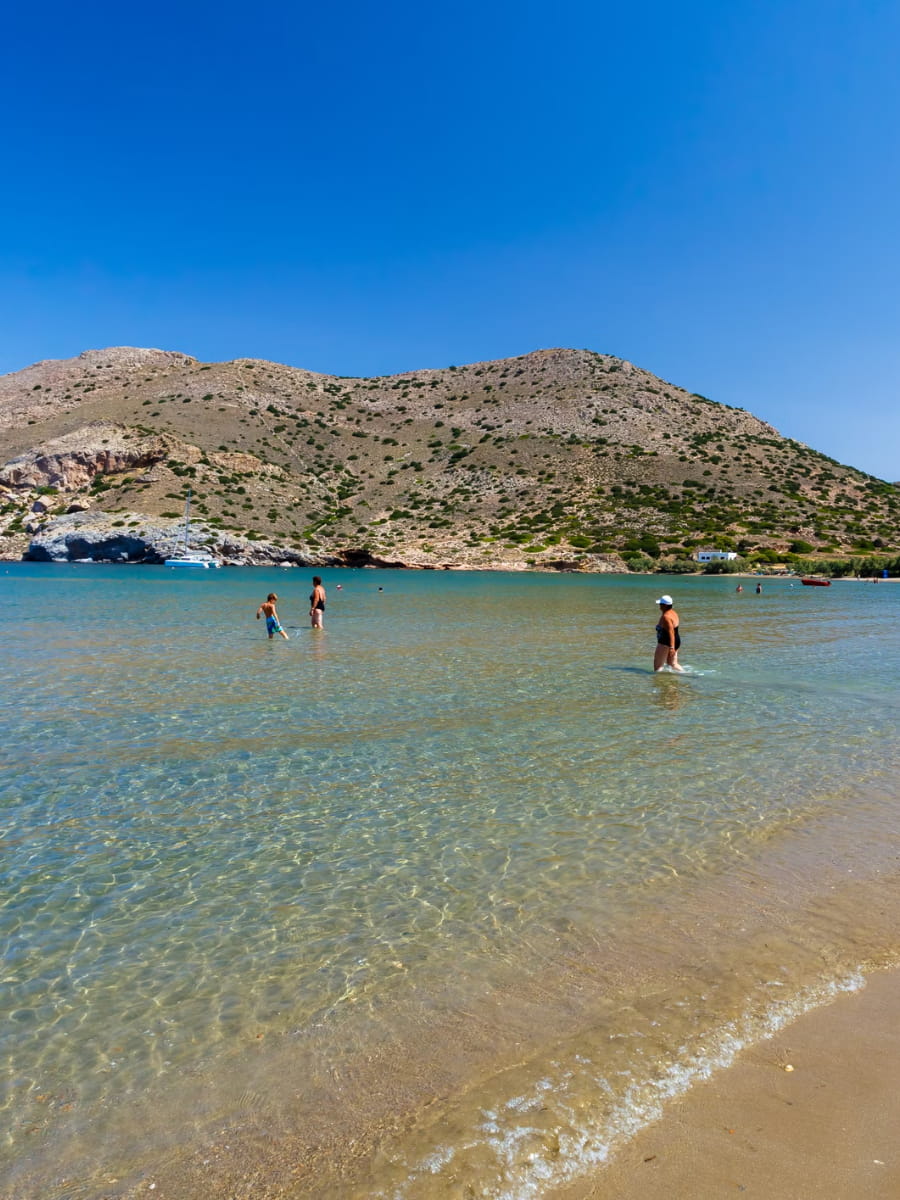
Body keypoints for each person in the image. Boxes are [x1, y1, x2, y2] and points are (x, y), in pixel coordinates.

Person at [654, 594, 683, 672]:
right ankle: (687, 674)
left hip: (665, 642)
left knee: (658, 667)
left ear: (665, 605)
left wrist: (671, 647)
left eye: (661, 604)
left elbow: (671, 632)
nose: (659, 606)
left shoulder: (666, 617)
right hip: (676, 640)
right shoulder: (673, 613)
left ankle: (657, 680)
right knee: (673, 664)